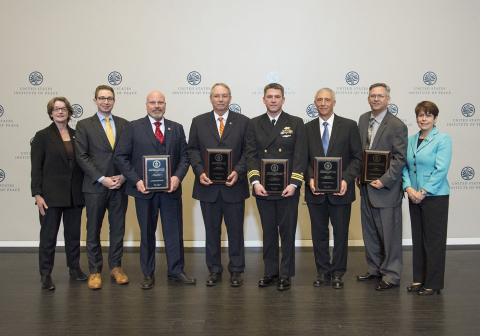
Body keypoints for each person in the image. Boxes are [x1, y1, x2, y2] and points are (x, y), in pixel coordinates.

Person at [114, 90, 195, 289]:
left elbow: (185, 157)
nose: (157, 106)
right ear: (146, 105)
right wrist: (136, 181)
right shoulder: (133, 128)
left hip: (171, 192)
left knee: (174, 233)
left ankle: (176, 271)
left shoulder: (176, 128)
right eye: (153, 102)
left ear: (165, 105)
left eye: (160, 102)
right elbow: (121, 157)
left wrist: (177, 177)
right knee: (147, 233)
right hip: (144, 192)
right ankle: (148, 274)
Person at [245, 83, 308, 291]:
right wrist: (255, 182)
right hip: (263, 188)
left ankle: (286, 274)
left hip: (288, 189)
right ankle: (270, 272)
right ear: (263, 99)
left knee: (287, 232)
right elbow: (251, 155)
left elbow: (300, 156)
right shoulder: (254, 124)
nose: (273, 100)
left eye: (277, 96)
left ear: (283, 99)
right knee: (269, 232)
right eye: (269, 96)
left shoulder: (296, 123)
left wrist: (294, 183)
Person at [187, 83, 250, 287]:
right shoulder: (198, 121)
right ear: (211, 98)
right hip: (208, 187)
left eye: (224, 96)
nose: (220, 99)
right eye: (216, 96)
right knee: (211, 231)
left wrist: (237, 172)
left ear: (230, 98)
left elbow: (248, 153)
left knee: (235, 231)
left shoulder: (243, 122)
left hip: (234, 186)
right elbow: (193, 150)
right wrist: (199, 172)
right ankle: (214, 269)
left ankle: (236, 269)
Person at [305, 88, 362, 289]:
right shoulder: (307, 128)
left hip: (341, 192)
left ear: (334, 103)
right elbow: (303, 160)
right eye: (319, 100)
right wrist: (311, 178)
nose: (323, 103)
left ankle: (338, 273)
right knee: (318, 234)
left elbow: (357, 158)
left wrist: (346, 179)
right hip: (316, 193)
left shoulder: (348, 126)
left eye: (327, 100)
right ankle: (322, 272)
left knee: (340, 234)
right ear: (314, 103)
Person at [75, 85, 129, 290]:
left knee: (117, 230)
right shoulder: (83, 125)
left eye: (109, 98)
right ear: (95, 100)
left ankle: (116, 268)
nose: (106, 101)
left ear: (114, 101)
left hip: (120, 186)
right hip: (95, 187)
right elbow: (82, 156)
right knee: (93, 230)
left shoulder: (125, 124)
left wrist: (124, 177)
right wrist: (101, 178)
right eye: (102, 98)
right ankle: (95, 270)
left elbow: (130, 154)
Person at [31, 97, 87, 290]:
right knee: (48, 237)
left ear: (69, 112)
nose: (60, 112)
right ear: (51, 113)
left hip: (74, 195)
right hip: (50, 196)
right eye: (56, 109)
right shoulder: (42, 136)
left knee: (73, 235)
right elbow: (36, 168)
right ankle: (45, 274)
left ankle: (75, 269)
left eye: (63, 109)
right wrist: (37, 194)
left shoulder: (77, 135)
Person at [356, 83, 408, 291]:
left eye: (380, 96)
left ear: (388, 99)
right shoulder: (362, 119)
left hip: (386, 189)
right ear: (368, 99)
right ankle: (375, 268)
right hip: (365, 186)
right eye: (372, 96)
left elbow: (399, 159)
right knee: (370, 232)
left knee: (390, 234)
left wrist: (384, 180)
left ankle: (392, 274)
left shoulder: (397, 125)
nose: (376, 99)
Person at [402, 101, 452, 295]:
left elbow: (441, 170)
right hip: (413, 195)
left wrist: (423, 192)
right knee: (419, 239)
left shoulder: (443, 139)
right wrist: (408, 188)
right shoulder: (411, 139)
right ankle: (418, 279)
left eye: (428, 115)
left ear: (435, 118)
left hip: (434, 196)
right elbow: (404, 166)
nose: (424, 119)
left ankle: (433, 282)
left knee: (434, 241)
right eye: (421, 115)